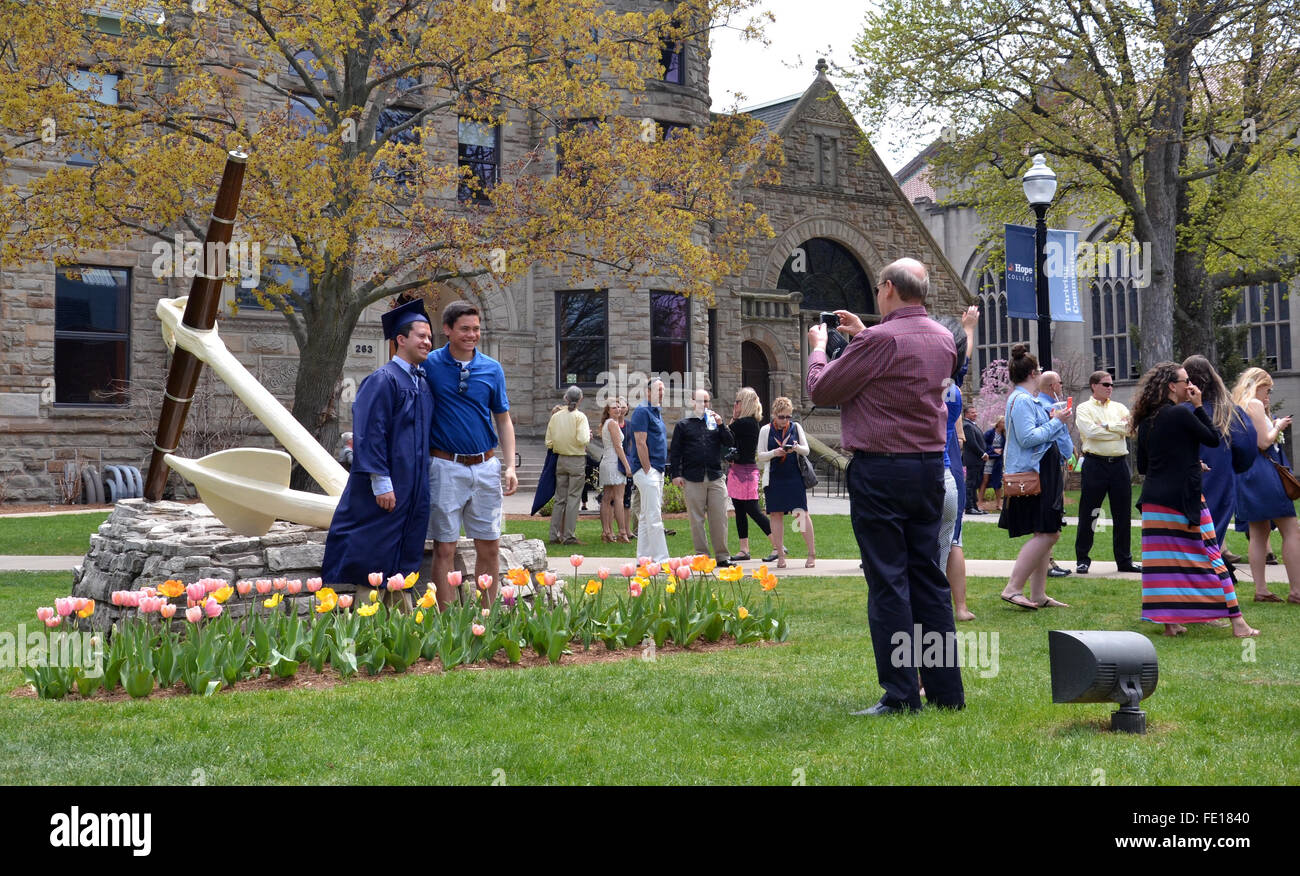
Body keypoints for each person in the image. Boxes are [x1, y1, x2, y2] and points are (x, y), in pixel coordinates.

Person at [807, 257, 964, 715]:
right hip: (929, 470)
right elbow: (902, 371)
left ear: (890, 289)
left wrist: (819, 347)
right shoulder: (942, 337)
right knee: (928, 580)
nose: (877, 293)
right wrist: (862, 336)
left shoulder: (879, 340)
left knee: (888, 582)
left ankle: (900, 694)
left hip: (881, 471)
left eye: (878, 287)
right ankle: (946, 692)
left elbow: (822, 390)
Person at [322, 298, 433, 611]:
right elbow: (370, 432)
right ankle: (366, 621)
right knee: (377, 552)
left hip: (413, 488)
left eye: (429, 336)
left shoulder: (420, 382)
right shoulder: (383, 380)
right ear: (400, 340)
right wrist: (380, 480)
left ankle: (400, 623)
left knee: (404, 553)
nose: (427, 342)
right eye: (420, 336)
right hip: (389, 486)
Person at [1133, 362, 1258, 637]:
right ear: (1171, 386)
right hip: (1183, 499)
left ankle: (1170, 623)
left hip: (1154, 502)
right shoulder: (1181, 413)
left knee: (1163, 563)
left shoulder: (1148, 419)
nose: (1190, 386)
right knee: (1211, 554)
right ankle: (1239, 623)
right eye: (1185, 380)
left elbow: (1145, 465)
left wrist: (1189, 462)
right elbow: (1213, 438)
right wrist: (1199, 405)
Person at [424, 300, 518, 611]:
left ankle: (486, 618)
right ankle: (449, 623)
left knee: (490, 547)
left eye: (476, 329)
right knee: (444, 548)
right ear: (447, 330)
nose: (472, 334)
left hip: (486, 466)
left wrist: (510, 465)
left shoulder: (492, 368)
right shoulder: (430, 365)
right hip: (444, 466)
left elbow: (502, 418)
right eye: (465, 329)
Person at [997, 344, 1072, 611]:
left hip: (1041, 472)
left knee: (1045, 531)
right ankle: (1013, 588)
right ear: (1032, 372)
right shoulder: (1023, 400)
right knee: (1048, 533)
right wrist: (1057, 421)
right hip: (1035, 473)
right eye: (1039, 370)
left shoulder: (1024, 400)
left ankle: (1038, 595)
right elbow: (1028, 438)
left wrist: (1053, 418)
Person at [1230, 367, 1300, 605]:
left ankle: (1261, 589)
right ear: (1257, 385)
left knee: (1259, 532)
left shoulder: (1236, 405)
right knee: (1291, 528)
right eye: (1267, 390)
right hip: (1264, 472)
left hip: (1246, 472)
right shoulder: (1254, 404)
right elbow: (1264, 441)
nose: (1268, 395)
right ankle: (1297, 590)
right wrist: (1278, 425)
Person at [1074, 370, 1141, 574]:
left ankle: (1124, 560)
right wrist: (1116, 430)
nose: (1110, 388)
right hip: (1095, 464)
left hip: (1119, 465)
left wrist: (1108, 426)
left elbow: (1131, 430)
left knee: (1122, 514)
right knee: (1089, 512)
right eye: (1105, 384)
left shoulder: (1119, 407)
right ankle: (1082, 559)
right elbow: (1090, 432)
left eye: (1111, 384)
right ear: (1094, 386)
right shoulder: (1083, 408)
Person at [935, 307, 979, 620]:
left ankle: (936, 606)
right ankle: (960, 607)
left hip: (931, 468)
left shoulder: (926, 383)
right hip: (953, 469)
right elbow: (964, 357)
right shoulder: (953, 386)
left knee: (931, 542)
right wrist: (969, 327)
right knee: (954, 540)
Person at [668, 388, 735, 566]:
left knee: (719, 518)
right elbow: (675, 452)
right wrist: (676, 474)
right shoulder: (683, 425)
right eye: (699, 401)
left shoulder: (714, 422)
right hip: (692, 477)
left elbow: (729, 442)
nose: (703, 405)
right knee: (696, 520)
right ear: (692, 403)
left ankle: (722, 556)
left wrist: (721, 424)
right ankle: (702, 556)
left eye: (706, 401)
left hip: (715, 476)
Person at [756, 396, 816, 569]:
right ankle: (780, 555)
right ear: (774, 414)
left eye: (788, 416)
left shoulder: (796, 427)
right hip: (774, 478)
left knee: (800, 514)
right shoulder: (765, 430)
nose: (785, 420)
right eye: (782, 417)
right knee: (776, 515)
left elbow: (806, 450)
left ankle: (811, 553)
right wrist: (775, 452)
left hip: (793, 477)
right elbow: (760, 455)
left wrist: (795, 447)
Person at [727, 387, 773, 562]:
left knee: (752, 509)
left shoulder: (746, 423)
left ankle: (777, 545)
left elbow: (726, 433)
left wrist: (733, 416)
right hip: (738, 470)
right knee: (739, 509)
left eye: (737, 401)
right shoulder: (748, 422)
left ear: (744, 404)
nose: (735, 404)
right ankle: (743, 549)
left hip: (745, 473)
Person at [628, 377, 670, 563]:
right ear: (648, 392)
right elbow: (640, 442)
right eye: (657, 389)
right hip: (648, 470)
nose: (661, 393)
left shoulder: (656, 411)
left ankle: (643, 559)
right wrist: (647, 470)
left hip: (657, 469)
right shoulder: (642, 412)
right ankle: (662, 559)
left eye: (662, 389)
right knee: (654, 516)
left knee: (646, 516)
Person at [1038, 370, 1075, 579]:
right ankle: (1047, 563)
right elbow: (1056, 435)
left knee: (1050, 516)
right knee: (1051, 515)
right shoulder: (1050, 407)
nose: (1062, 386)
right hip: (1051, 466)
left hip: (1052, 463)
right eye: (1060, 382)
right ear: (1053, 386)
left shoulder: (1042, 405)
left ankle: (1048, 562)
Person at [545, 385, 591, 545]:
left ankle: (554, 534)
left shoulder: (555, 417)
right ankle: (568, 535)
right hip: (576, 459)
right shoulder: (580, 417)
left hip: (560, 459)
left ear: (565, 398)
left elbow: (548, 442)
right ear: (580, 399)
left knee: (560, 499)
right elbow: (583, 439)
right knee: (573, 498)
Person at [598, 397, 632, 543]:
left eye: (619, 407)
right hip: (614, 462)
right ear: (608, 410)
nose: (618, 409)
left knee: (607, 498)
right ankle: (622, 532)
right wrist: (627, 466)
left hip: (606, 461)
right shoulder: (612, 424)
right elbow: (618, 446)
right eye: (614, 408)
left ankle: (606, 532)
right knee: (618, 497)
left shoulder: (607, 423)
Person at [961, 406, 987, 515]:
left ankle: (974, 506)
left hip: (977, 460)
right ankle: (969, 507)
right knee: (970, 484)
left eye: (975, 412)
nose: (975, 414)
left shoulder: (972, 425)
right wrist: (982, 453)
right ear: (966, 414)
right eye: (972, 412)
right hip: (973, 459)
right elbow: (971, 443)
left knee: (975, 484)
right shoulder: (967, 426)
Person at [980, 417, 1005, 508]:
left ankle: (999, 504)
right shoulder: (990, 433)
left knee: (998, 481)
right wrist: (993, 450)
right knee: (985, 480)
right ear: (998, 423)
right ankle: (980, 503)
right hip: (989, 459)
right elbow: (983, 444)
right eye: (1002, 422)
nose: (1004, 424)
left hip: (998, 461)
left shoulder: (1004, 434)